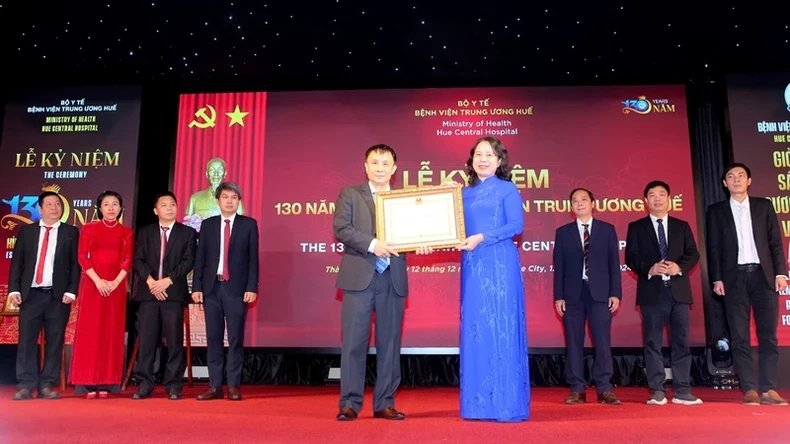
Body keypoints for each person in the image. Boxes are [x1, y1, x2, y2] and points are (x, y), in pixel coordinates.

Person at [334, 144, 420, 421]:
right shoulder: (350, 194)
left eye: (386, 163)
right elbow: (342, 229)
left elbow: (416, 233)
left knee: (390, 343)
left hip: (391, 279)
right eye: (375, 162)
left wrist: (426, 242)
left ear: (394, 169)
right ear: (366, 166)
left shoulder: (405, 200)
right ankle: (349, 402)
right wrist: (372, 244)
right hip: (359, 277)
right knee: (353, 344)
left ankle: (384, 402)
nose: (380, 167)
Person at [456, 136, 530, 422]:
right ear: (471, 160)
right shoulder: (462, 193)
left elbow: (516, 225)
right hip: (473, 265)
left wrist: (483, 237)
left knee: (500, 327)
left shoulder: (507, 189)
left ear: (500, 161)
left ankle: (505, 403)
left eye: (489, 155)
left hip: (499, 264)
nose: (483, 159)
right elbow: (452, 227)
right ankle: (478, 405)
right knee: (476, 328)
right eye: (478, 155)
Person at [706, 163, 788, 405]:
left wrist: (781, 273)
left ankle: (769, 389)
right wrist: (717, 278)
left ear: (749, 181)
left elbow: (775, 241)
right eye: (730, 176)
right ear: (724, 183)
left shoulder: (764, 206)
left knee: (768, 336)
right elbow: (713, 248)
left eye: (741, 176)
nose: (736, 180)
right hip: (734, 279)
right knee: (740, 336)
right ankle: (750, 389)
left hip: (764, 277)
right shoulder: (716, 211)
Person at [625, 181, 701, 405]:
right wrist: (650, 268)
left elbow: (693, 254)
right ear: (645, 201)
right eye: (652, 195)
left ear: (669, 199)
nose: (657, 199)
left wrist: (680, 267)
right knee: (652, 343)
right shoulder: (636, 227)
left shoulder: (681, 225)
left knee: (681, 342)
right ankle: (657, 390)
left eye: (661, 194)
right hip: (652, 293)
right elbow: (631, 257)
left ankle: (682, 390)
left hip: (678, 292)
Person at [8, 191, 80, 400]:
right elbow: (18, 263)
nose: (54, 207)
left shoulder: (70, 232)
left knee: (55, 341)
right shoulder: (27, 231)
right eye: (49, 204)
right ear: (40, 209)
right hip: (30, 295)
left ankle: (47, 384)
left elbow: (75, 265)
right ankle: (26, 384)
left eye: (57, 204)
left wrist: (71, 291)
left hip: (57, 297)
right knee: (26, 341)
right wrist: (15, 289)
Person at [553, 188, 622, 405]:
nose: (579, 203)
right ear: (571, 207)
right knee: (573, 342)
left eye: (584, 200)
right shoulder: (563, 232)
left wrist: (615, 293)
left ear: (593, 203)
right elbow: (559, 267)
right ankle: (576, 389)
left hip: (601, 294)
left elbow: (614, 264)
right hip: (572, 295)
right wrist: (559, 296)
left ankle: (604, 389)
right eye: (575, 201)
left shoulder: (607, 230)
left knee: (602, 341)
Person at [191, 181, 259, 401]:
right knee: (213, 338)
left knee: (236, 338)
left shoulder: (249, 225)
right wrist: (197, 287)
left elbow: (253, 260)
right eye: (225, 197)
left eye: (234, 197)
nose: (229, 201)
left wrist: (251, 287)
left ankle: (233, 386)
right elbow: (200, 259)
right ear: (218, 200)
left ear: (239, 201)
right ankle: (214, 386)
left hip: (236, 289)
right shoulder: (208, 225)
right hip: (211, 289)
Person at [131, 192, 197, 400]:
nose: (169, 208)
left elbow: (188, 261)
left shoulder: (187, 233)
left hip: (173, 292)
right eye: (164, 205)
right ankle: (144, 383)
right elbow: (138, 260)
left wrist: (167, 281)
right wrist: (151, 282)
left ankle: (174, 384)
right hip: (149, 293)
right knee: (148, 341)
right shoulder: (144, 232)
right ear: (155, 210)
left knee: (175, 341)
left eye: (172, 204)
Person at [69, 191, 134, 398]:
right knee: (90, 331)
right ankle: (85, 381)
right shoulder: (89, 228)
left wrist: (115, 282)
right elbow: (82, 257)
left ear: (121, 208)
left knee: (111, 331)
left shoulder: (126, 232)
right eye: (106, 204)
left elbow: (127, 260)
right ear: (100, 208)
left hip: (116, 288)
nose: (111, 208)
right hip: (92, 285)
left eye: (115, 204)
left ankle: (107, 381)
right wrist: (98, 281)